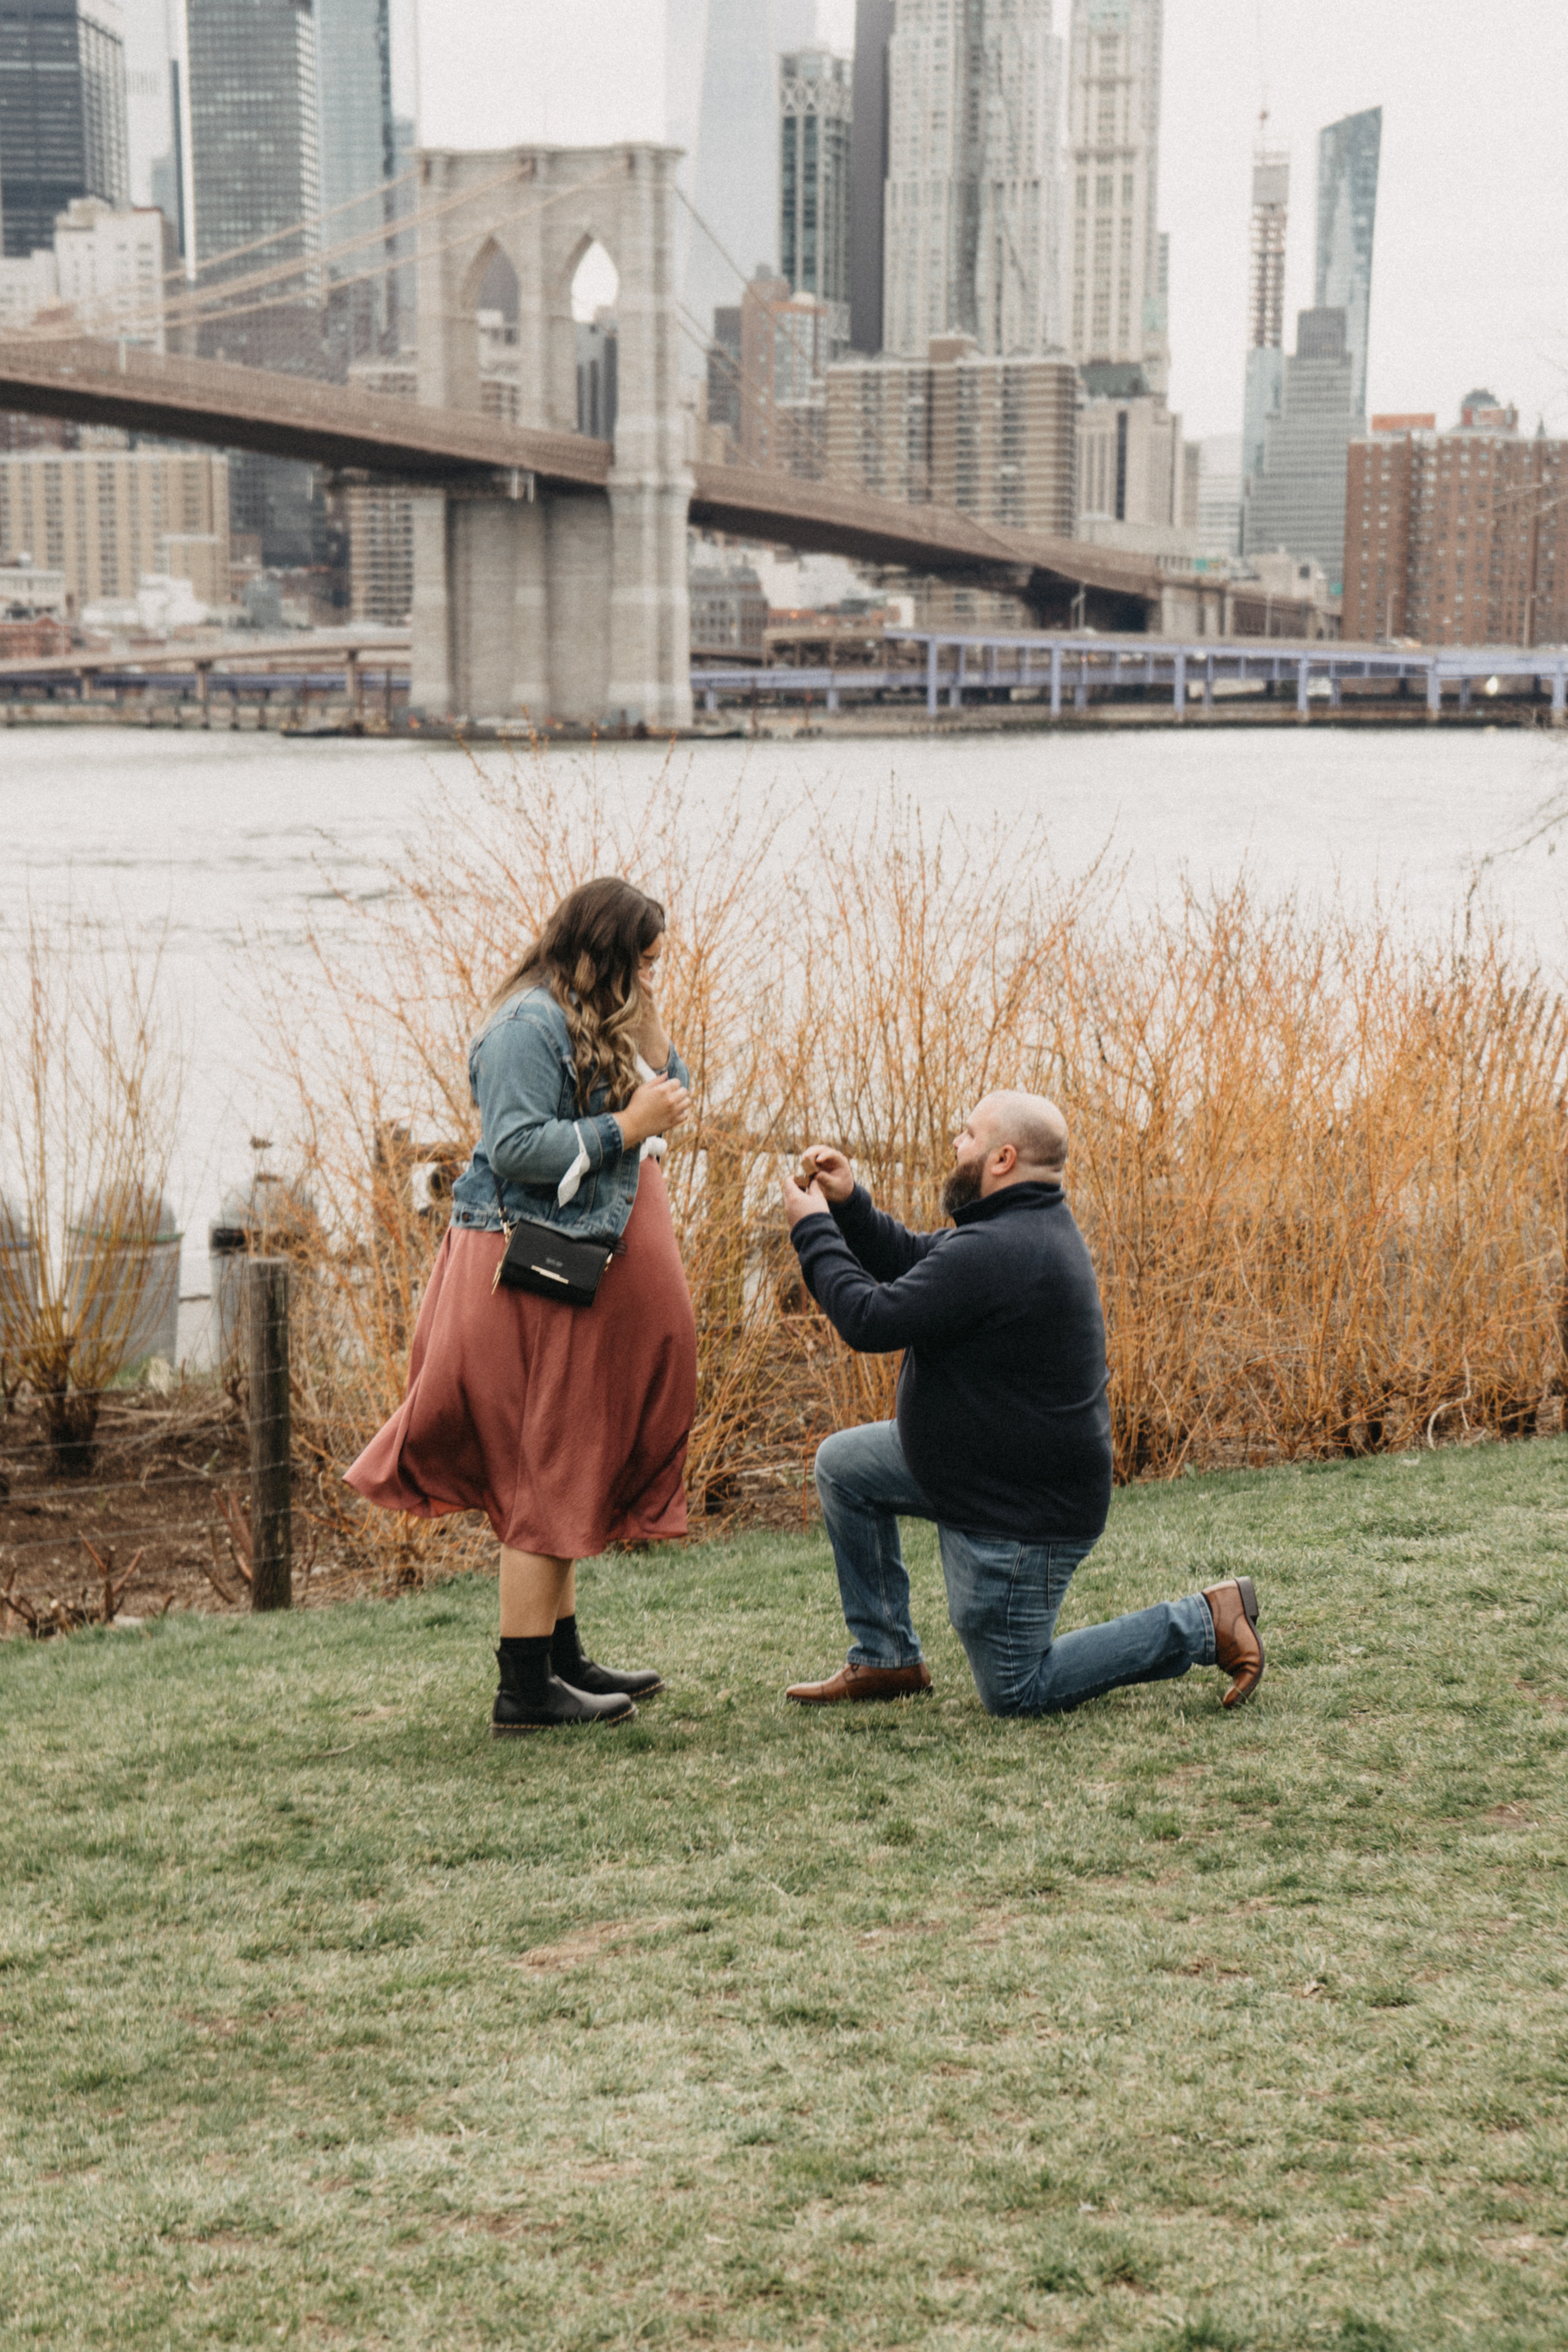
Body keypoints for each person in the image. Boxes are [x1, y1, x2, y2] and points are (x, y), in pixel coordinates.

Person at [778, 1091, 1264, 1716]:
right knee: (845, 1467)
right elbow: (915, 1263)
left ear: (1002, 1157)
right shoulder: (1014, 1232)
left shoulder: (1002, 1249)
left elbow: (869, 1320)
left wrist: (813, 1229)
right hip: (970, 1467)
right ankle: (886, 1657)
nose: (956, 1143)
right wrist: (848, 1206)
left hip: (1020, 1510)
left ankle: (1205, 1622)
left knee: (1016, 1689)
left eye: (967, 1134)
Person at [346, 876, 697, 1735]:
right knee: (545, 1461)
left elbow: (674, 1094)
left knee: (569, 1453)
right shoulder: (525, 1027)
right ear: (605, 954)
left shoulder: (597, 1015)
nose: (652, 975)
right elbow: (513, 1146)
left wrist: (647, 1027)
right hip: (529, 1272)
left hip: (574, 1269)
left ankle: (561, 1655)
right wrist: (626, 1126)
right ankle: (525, 1690)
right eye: (642, 963)